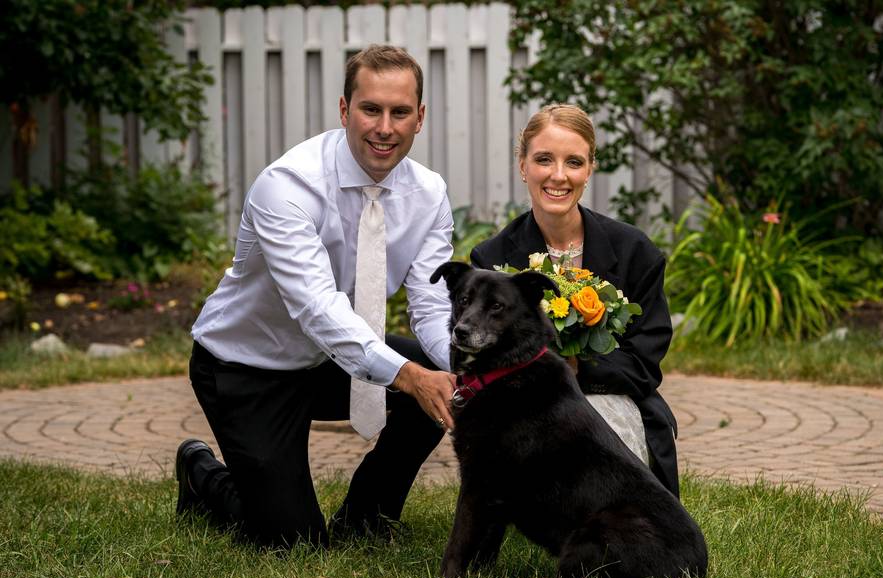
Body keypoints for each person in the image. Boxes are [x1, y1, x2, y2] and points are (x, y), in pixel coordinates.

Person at [175, 45, 458, 548]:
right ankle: (202, 474)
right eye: (371, 109)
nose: (384, 128)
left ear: (420, 118)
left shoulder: (429, 193)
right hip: (246, 366)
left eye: (399, 113)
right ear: (345, 110)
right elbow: (317, 309)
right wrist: (410, 376)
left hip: (332, 362)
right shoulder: (287, 186)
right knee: (293, 543)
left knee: (438, 388)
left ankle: (367, 516)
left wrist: (458, 370)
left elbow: (430, 303)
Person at [470, 104, 681, 497]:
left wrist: (578, 365)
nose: (559, 175)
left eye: (574, 162)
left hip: (613, 396)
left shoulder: (636, 251)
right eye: (544, 159)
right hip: (526, 409)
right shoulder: (492, 259)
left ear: (590, 168)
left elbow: (644, 362)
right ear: (523, 166)